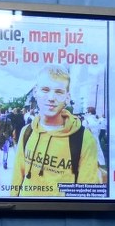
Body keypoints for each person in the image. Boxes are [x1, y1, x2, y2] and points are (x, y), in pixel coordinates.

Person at [10, 65, 101, 196]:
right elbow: (17, 176)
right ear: (36, 92)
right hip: (26, 211)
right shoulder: (27, 131)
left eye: (58, 91)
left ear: (67, 97)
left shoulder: (84, 138)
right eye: (45, 90)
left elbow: (87, 193)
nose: (51, 97)